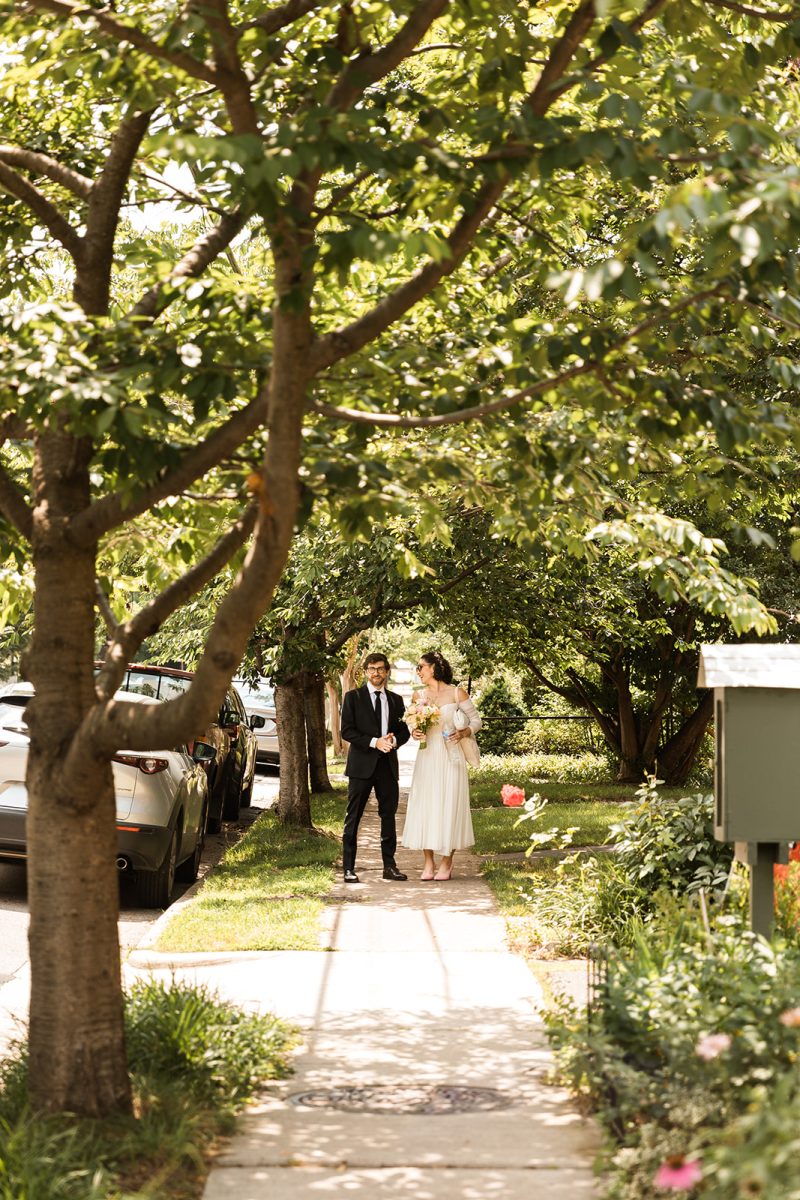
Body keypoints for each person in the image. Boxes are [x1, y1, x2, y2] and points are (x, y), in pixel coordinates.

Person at [401, 651, 482, 881]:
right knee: (426, 806)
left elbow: (477, 721)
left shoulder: (457, 692)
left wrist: (464, 731)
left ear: (434, 668)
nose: (418, 671)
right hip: (427, 758)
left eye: (421, 667)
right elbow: (413, 725)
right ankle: (428, 862)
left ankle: (447, 861)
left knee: (450, 805)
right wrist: (414, 732)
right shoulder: (418, 696)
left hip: (452, 757)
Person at [340, 652, 411, 883]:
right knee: (354, 817)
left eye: (380, 668)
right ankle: (349, 868)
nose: (376, 673)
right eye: (371, 669)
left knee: (388, 816)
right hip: (361, 767)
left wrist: (393, 741)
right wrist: (374, 742)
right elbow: (347, 731)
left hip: (387, 767)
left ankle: (389, 867)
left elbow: (404, 731)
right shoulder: (353, 698)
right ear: (365, 671)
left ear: (387, 671)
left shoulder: (396, 700)